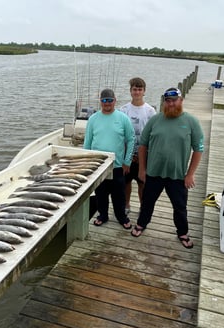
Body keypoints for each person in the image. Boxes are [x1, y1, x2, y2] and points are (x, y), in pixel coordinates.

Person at [131, 87, 204, 249]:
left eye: (174, 100)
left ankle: (183, 232)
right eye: (168, 100)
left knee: (180, 206)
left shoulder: (191, 122)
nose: (171, 104)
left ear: (181, 100)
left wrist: (190, 174)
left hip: (178, 175)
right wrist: (142, 169)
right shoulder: (155, 120)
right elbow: (142, 145)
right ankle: (141, 224)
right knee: (147, 202)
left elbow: (198, 148)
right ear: (164, 102)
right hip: (153, 173)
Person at [83, 88, 135, 230]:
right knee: (100, 193)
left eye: (110, 100)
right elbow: (87, 142)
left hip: (117, 165)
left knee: (119, 194)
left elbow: (131, 140)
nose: (107, 103)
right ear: (100, 101)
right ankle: (102, 215)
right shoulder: (93, 119)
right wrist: (86, 162)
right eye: (104, 100)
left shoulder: (123, 118)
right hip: (98, 165)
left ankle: (121, 217)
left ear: (115, 101)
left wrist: (127, 161)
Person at [120, 77, 156, 215]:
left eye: (140, 89)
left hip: (144, 155)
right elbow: (120, 134)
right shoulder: (123, 110)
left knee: (142, 183)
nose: (137, 92)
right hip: (126, 154)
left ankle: (143, 207)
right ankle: (126, 205)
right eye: (134, 89)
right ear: (130, 91)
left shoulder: (150, 111)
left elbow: (153, 134)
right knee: (126, 182)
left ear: (144, 91)